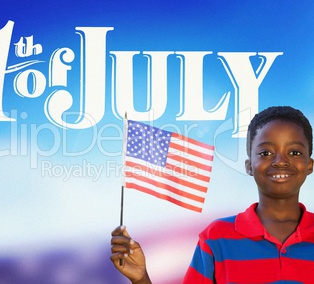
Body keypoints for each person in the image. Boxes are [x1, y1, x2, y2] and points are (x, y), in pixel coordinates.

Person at [110, 106, 314, 283]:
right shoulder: (216, 237)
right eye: (265, 153)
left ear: (309, 165)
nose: (280, 161)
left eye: (295, 152)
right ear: (249, 165)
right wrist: (141, 278)